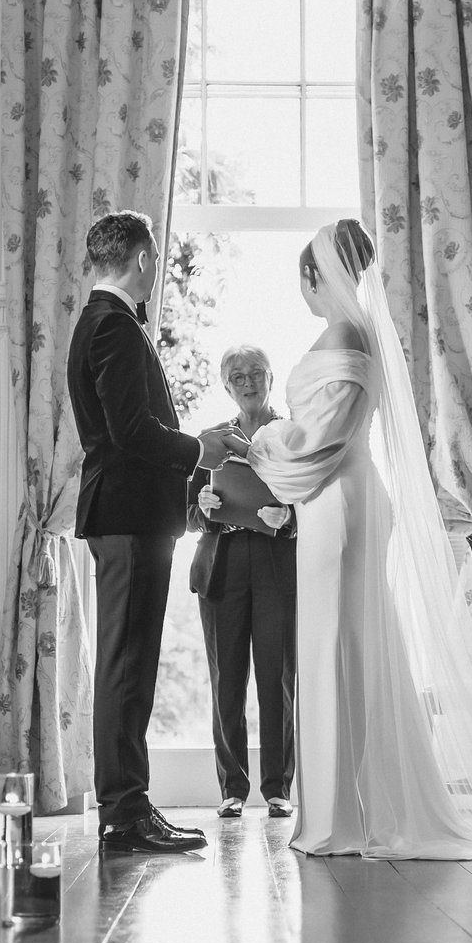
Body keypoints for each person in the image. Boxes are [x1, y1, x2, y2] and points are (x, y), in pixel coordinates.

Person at [245, 221, 472, 858]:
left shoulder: (343, 334)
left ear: (321, 276)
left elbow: (317, 439)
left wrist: (260, 444)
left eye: (306, 279)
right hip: (345, 501)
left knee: (334, 653)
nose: (305, 292)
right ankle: (347, 809)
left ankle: (340, 818)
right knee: (344, 651)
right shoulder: (359, 332)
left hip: (338, 505)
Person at [69, 211, 220, 855]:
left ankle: (126, 807)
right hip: (128, 519)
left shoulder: (99, 323)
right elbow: (132, 433)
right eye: (154, 260)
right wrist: (200, 450)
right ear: (141, 260)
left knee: (127, 666)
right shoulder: (115, 328)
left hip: (127, 518)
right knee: (128, 669)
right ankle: (124, 814)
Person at [190, 346, 298, 820]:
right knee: (226, 679)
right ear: (226, 385)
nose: (248, 381)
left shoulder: (292, 436)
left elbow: (316, 501)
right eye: (238, 375)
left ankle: (278, 788)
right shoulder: (211, 441)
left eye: (257, 373)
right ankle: (232, 787)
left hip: (277, 564)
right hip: (222, 563)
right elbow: (186, 513)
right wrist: (204, 509)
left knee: (278, 678)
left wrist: (290, 517)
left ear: (271, 378)